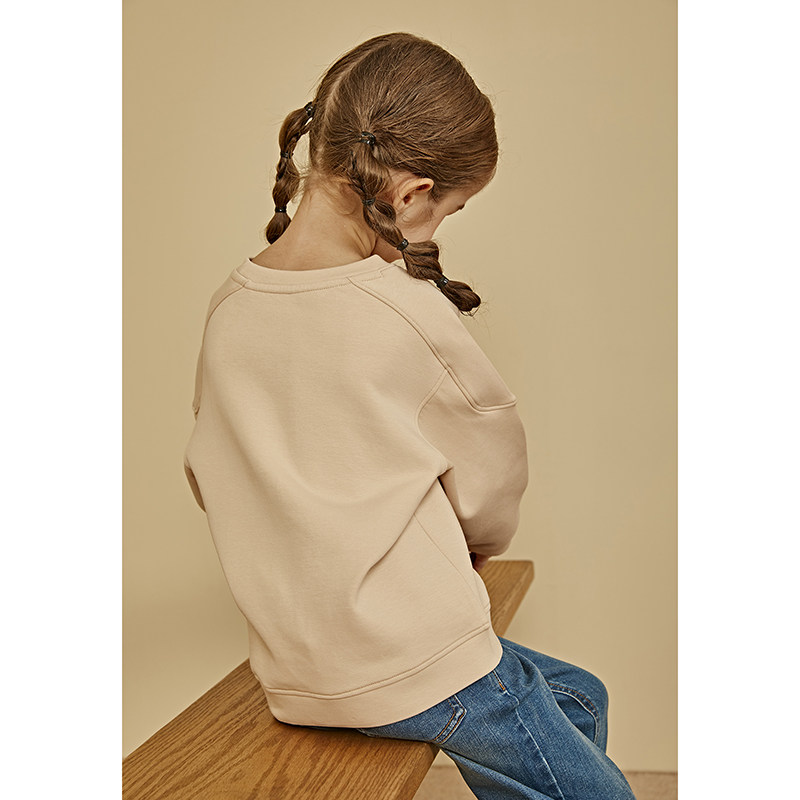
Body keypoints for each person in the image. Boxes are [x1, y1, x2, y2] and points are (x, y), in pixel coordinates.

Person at [182, 31, 637, 800]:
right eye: (447, 213)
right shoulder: (401, 311)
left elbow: (210, 473)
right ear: (413, 193)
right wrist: (478, 545)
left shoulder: (230, 308)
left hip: (297, 671)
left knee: (578, 697)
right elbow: (490, 473)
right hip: (416, 664)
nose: (435, 233)